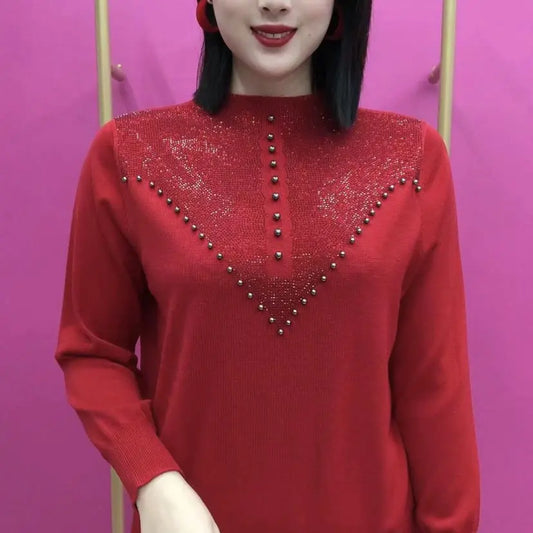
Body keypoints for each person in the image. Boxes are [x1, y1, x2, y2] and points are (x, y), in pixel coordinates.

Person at [54, 0, 481, 531]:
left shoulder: (411, 159)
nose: (275, 2)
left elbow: (435, 384)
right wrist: (153, 479)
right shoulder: (128, 156)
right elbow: (92, 351)